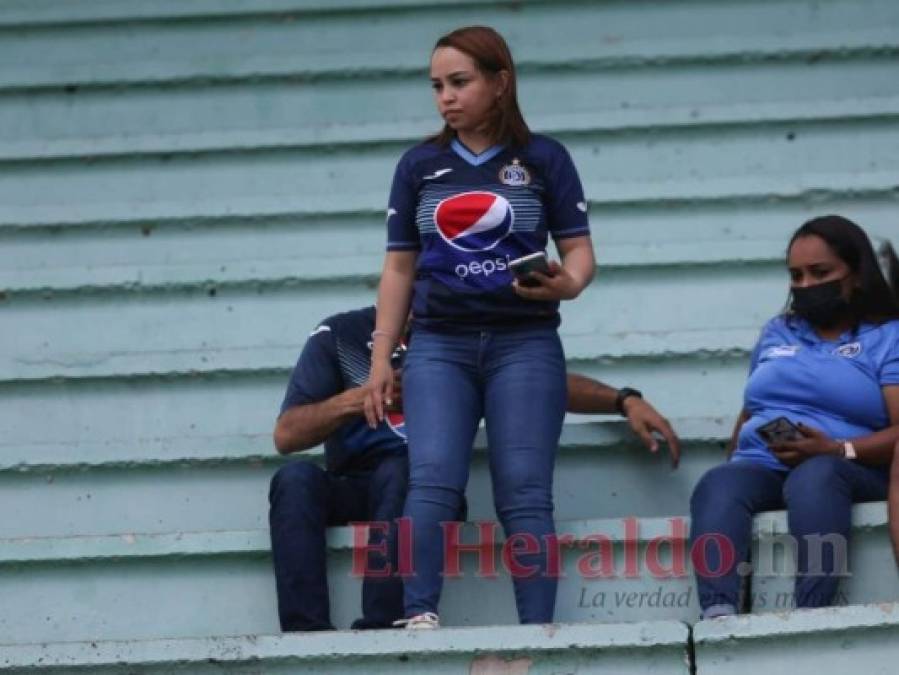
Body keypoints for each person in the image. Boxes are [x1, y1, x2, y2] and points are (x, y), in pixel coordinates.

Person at [364, 25, 597, 629]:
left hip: (526, 341)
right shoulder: (419, 164)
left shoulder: (545, 158)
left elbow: (579, 256)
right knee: (432, 480)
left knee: (524, 493)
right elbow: (397, 268)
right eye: (437, 85)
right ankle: (419, 614)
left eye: (460, 82)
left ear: (501, 82)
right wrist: (379, 360)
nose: (446, 96)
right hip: (438, 344)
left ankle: (539, 630)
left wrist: (565, 284)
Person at [270, 305, 680, 632]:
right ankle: (304, 634)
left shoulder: (460, 337)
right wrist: (360, 398)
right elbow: (286, 435)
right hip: (353, 482)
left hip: (424, 489)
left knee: (403, 474)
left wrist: (623, 399)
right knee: (294, 480)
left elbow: (538, 379)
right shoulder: (342, 335)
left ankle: (382, 627)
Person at [689, 215, 899, 619]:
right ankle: (718, 613)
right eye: (795, 276)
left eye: (819, 273)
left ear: (856, 275)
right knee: (719, 482)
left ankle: (810, 614)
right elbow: (752, 408)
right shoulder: (777, 331)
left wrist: (839, 449)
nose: (804, 286)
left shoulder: (887, 337)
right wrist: (739, 452)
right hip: (765, 462)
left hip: (849, 466)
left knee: (815, 475)